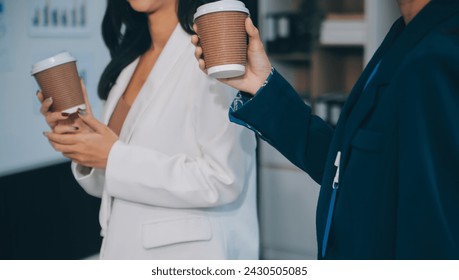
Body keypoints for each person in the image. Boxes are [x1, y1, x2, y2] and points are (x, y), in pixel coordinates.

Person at [192, 0, 459, 259]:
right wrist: (260, 83)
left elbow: (434, 233)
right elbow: (350, 169)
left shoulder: (440, 53)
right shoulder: (405, 34)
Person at [38, 0, 259, 260]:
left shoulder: (214, 49)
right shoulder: (129, 65)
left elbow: (223, 178)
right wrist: (83, 140)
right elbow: (114, 181)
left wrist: (113, 156)